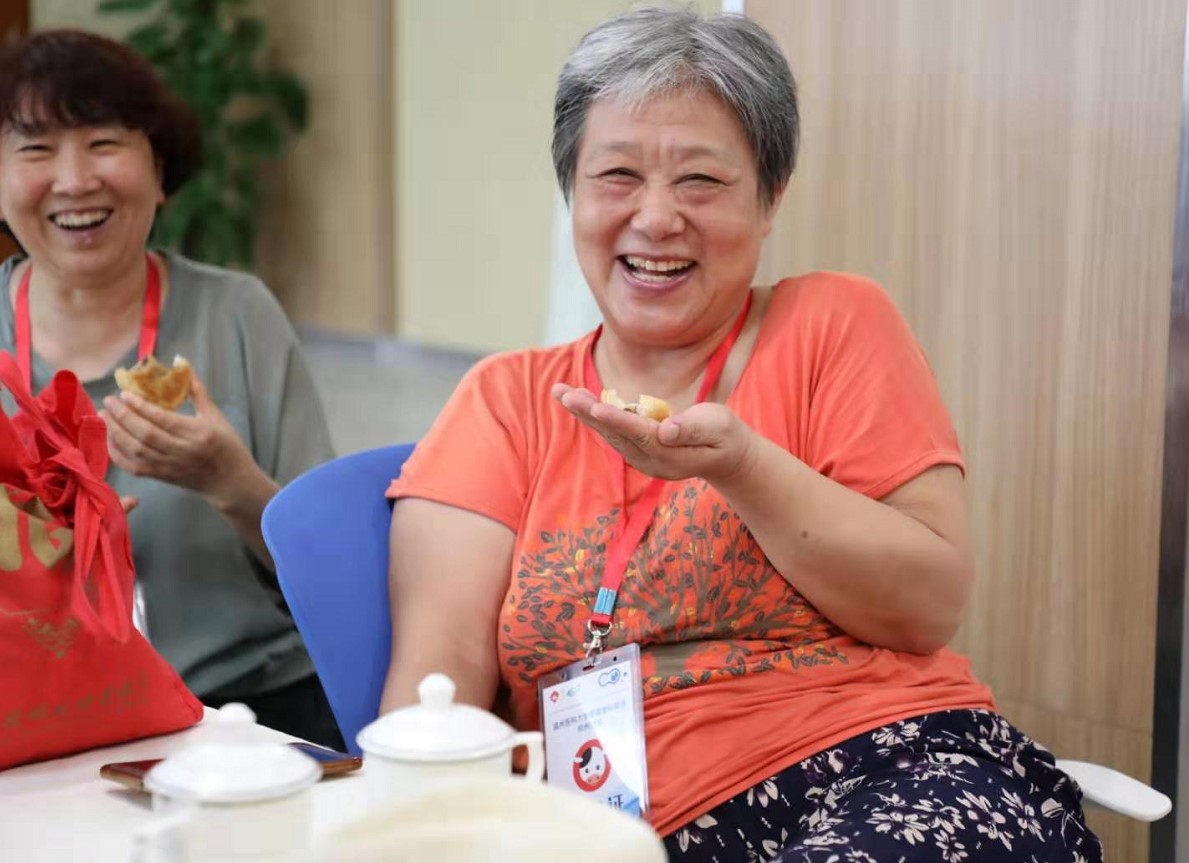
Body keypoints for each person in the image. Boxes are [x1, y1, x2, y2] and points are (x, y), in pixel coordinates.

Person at [381, 7, 1101, 862]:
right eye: (617, 174)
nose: (656, 218)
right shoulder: (504, 401)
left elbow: (926, 607)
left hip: (893, 765)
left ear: (769, 198)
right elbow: (432, 691)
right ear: (572, 190)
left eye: (700, 181)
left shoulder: (834, 324)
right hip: (618, 833)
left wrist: (747, 468)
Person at [0, 30, 342, 748]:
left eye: (103, 143)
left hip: (248, 712)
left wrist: (230, 482)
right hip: (34, 719)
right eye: (36, 149)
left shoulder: (237, 315)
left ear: (159, 171)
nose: (74, 180)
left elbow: (338, 571)